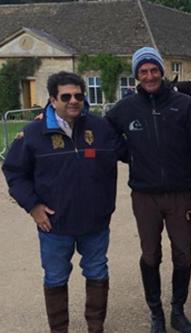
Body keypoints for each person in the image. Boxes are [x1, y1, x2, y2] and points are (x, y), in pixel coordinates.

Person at [2, 71, 124, 333]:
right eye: (66, 96)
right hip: (55, 225)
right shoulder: (33, 133)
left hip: (95, 223)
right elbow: (14, 172)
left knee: (97, 273)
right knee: (56, 278)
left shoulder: (100, 128)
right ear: (53, 100)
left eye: (78, 95)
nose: (73, 101)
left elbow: (132, 151)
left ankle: (95, 327)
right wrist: (33, 206)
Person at [105, 47, 191, 333]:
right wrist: (126, 152)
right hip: (144, 194)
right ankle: (156, 315)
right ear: (137, 75)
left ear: (161, 71)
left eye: (153, 70)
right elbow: (103, 129)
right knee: (150, 254)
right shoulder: (126, 108)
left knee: (183, 255)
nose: (149, 75)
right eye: (143, 71)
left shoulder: (183, 104)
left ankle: (177, 311)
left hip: (180, 195)